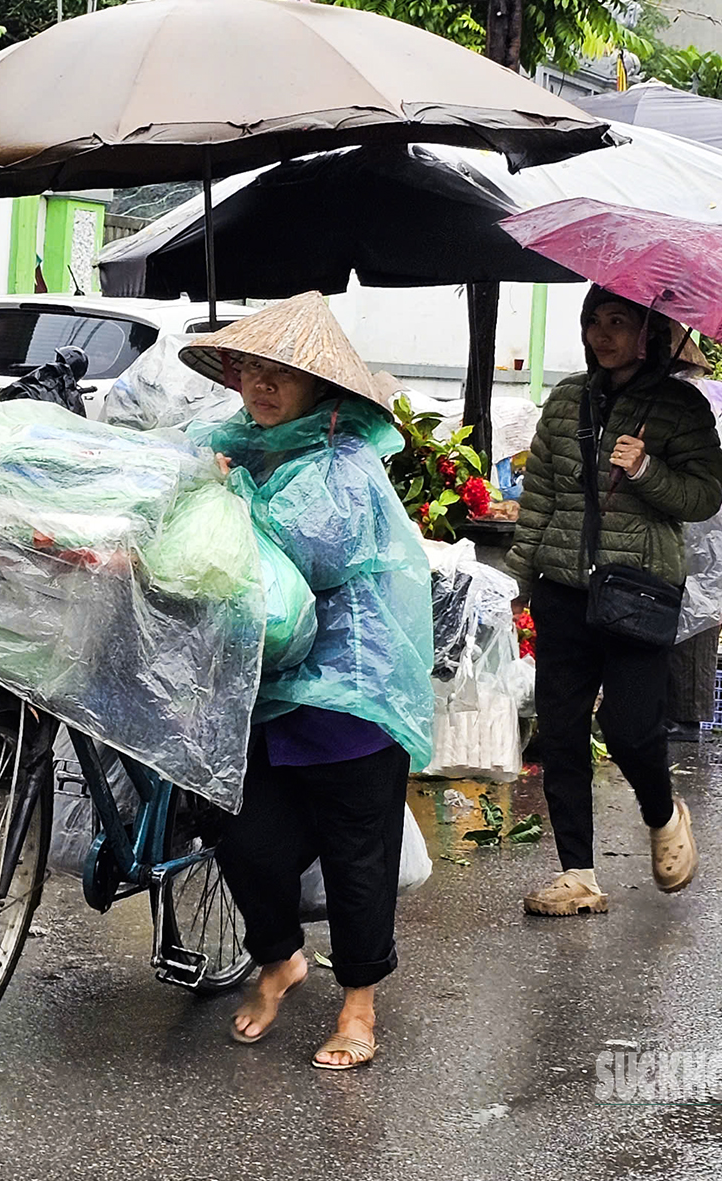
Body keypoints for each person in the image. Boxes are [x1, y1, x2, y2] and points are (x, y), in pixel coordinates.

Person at [178, 293, 434, 1071]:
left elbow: (306, 550)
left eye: (281, 371)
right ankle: (282, 957)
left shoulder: (343, 463)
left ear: (321, 386)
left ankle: (359, 1005)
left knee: (359, 854)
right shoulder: (241, 445)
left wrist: (226, 498)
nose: (261, 384)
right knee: (241, 834)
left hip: (350, 695)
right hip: (265, 694)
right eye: (249, 367)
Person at [506, 287, 722, 917]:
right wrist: (522, 582)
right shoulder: (569, 398)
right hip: (563, 591)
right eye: (593, 321)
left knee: (631, 731)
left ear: (648, 332)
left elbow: (702, 498)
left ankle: (663, 813)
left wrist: (647, 469)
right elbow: (541, 493)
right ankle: (577, 874)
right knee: (562, 734)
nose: (602, 335)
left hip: (638, 591)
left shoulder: (681, 407)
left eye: (618, 322)